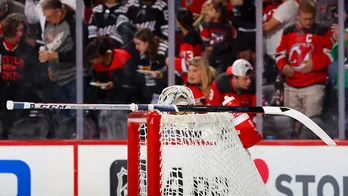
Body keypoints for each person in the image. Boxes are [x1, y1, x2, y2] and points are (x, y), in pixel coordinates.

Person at [275, 0, 334, 135]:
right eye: (305, 19)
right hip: (291, 86)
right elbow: (280, 53)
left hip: (314, 86)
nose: (308, 22)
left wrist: (315, 63)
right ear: (298, 16)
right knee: (290, 124)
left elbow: (331, 54)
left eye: (311, 18)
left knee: (311, 124)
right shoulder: (288, 31)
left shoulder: (323, 32)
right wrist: (283, 66)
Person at [157, 85, 262, 149]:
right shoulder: (155, 132)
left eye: (183, 111)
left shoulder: (205, 132)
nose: (179, 116)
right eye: (176, 112)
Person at [0, 13, 39, 138]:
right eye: (17, 31)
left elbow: (32, 78)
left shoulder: (27, 50)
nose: (20, 34)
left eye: (22, 30)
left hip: (19, 101)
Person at [85, 36, 151, 104]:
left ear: (101, 55)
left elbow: (132, 81)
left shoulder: (121, 56)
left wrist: (115, 84)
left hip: (128, 98)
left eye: (92, 58)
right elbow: (95, 81)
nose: (91, 61)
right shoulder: (96, 65)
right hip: (107, 99)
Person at [133, 28, 168, 103]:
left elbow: (173, 71)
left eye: (138, 44)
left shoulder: (163, 49)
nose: (136, 47)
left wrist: (160, 75)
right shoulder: (143, 54)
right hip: (152, 92)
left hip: (166, 91)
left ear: (147, 42)